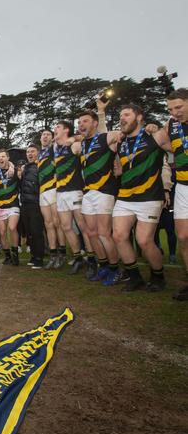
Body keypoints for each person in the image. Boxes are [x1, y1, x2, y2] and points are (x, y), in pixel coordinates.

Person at [112, 104, 171, 291]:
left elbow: (177, 147)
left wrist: (159, 127)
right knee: (119, 236)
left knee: (144, 241)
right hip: (125, 196)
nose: (122, 118)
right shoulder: (121, 142)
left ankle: (158, 276)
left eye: (127, 114)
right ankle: (135, 277)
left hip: (150, 196)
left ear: (139, 117)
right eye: (120, 115)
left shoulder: (154, 135)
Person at [147, 88, 188, 298]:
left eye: (179, 107)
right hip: (182, 185)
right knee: (182, 236)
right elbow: (159, 141)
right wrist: (153, 128)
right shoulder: (172, 124)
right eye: (171, 109)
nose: (175, 112)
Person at [74, 108, 120, 283]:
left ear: (95, 123)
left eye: (85, 121)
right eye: (79, 122)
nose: (81, 125)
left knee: (103, 233)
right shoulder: (82, 144)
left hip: (104, 191)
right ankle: (104, 266)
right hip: (88, 193)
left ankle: (115, 269)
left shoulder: (104, 138)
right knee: (91, 233)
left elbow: (119, 134)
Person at [53, 120, 95, 275]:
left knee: (83, 226)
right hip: (61, 192)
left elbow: (86, 139)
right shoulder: (56, 147)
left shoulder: (74, 145)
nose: (55, 129)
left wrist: (75, 138)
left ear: (66, 130)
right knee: (66, 227)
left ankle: (91, 260)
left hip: (75, 190)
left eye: (58, 127)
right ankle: (78, 258)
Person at [37, 129, 66, 268]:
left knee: (57, 222)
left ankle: (62, 253)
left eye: (48, 134)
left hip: (54, 189)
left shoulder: (55, 149)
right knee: (48, 224)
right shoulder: (39, 154)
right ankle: (53, 254)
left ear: (52, 138)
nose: (45, 136)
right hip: (42, 192)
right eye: (43, 135)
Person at [19, 145, 45, 268]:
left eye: (32, 151)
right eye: (28, 152)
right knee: (29, 232)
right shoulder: (25, 168)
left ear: (38, 153)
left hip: (35, 202)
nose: (30, 154)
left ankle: (39, 258)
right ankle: (34, 256)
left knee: (36, 231)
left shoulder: (41, 165)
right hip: (24, 203)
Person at [0, 149, 20, 266]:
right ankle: (8, 256)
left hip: (13, 204)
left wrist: (13, 167)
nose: (1, 159)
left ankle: (15, 254)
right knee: (2, 233)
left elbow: (20, 173)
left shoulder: (14, 170)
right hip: (0, 206)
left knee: (12, 228)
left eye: (3, 156)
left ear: (8, 158)